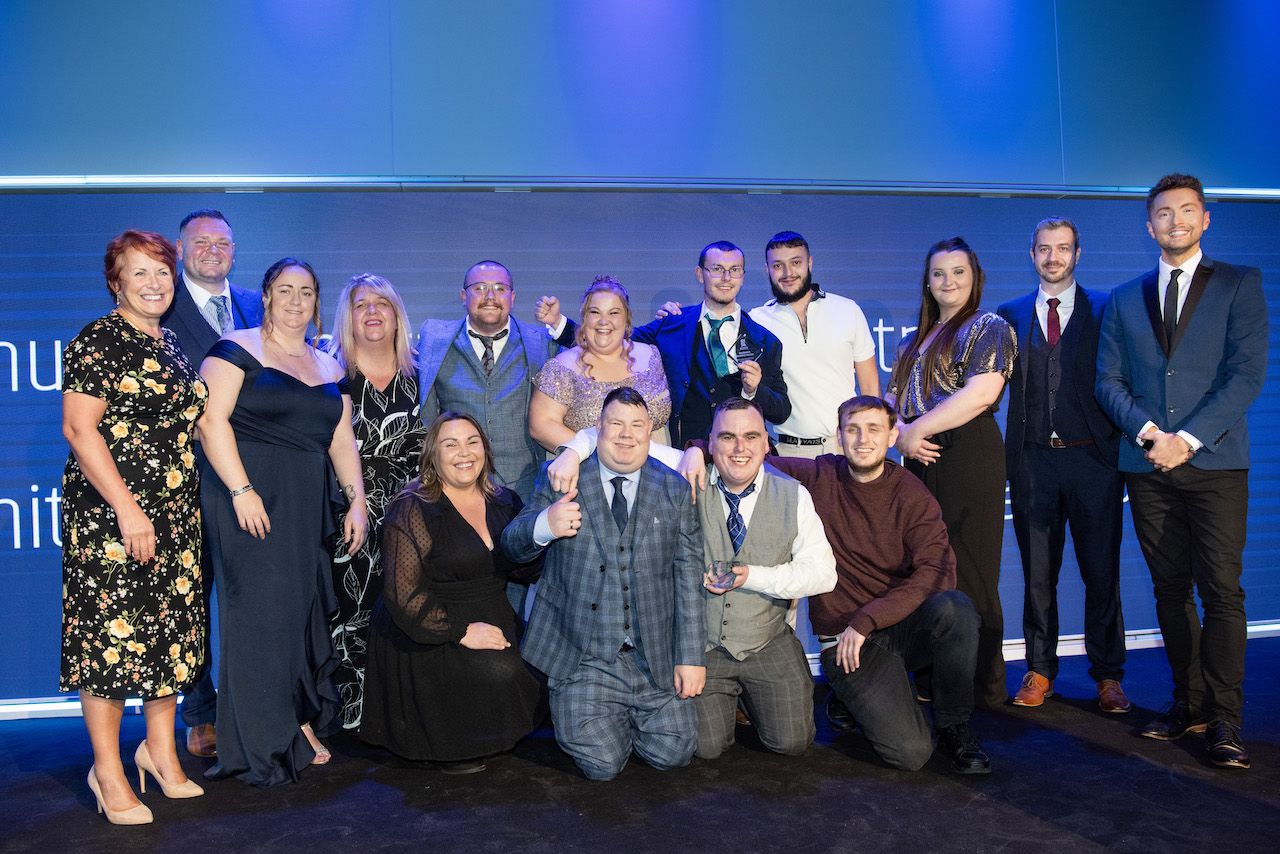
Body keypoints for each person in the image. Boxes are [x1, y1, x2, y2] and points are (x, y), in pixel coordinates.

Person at [679, 396, 989, 774]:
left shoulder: (912, 494)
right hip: (845, 643)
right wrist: (695, 449)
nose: (863, 439)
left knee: (955, 608)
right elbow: (744, 457)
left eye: (874, 430)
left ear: (892, 435)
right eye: (853, 430)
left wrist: (868, 619)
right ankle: (851, 694)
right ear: (839, 437)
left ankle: (955, 724)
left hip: (891, 625)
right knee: (911, 755)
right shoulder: (817, 476)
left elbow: (938, 574)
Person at [1095, 173, 1268, 769]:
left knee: (1221, 592)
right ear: (1150, 226)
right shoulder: (1123, 298)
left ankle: (1225, 719)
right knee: (1170, 591)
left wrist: (1187, 440)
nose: (1175, 221)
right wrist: (1150, 436)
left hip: (1216, 464)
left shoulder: (1241, 284)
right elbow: (1107, 381)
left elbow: (1245, 375)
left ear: (1204, 219)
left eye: (1186, 211)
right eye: (1164, 214)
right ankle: (1187, 703)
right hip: (1147, 468)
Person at [197, 258, 368, 786]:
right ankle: (257, 747)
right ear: (266, 296)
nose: (296, 301)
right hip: (246, 497)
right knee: (258, 621)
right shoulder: (233, 350)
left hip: (303, 503)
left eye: (307, 293)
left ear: (318, 302)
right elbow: (210, 422)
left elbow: (342, 440)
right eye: (285, 291)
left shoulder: (328, 366)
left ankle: (293, 724)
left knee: (296, 615)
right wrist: (242, 490)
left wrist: (356, 500)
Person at [61, 230, 209, 824]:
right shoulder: (99, 339)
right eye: (139, 273)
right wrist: (127, 507)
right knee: (112, 644)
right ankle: (109, 770)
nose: (153, 283)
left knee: (168, 640)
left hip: (174, 516)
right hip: (112, 517)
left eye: (161, 273)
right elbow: (80, 429)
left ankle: (162, 754)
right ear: (115, 281)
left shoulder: (172, 345)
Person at [501, 388, 705, 781]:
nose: (626, 435)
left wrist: (691, 656)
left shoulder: (674, 490)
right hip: (584, 656)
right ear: (597, 428)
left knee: (674, 753)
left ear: (650, 432)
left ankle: (625, 715)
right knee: (603, 765)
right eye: (615, 424)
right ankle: (600, 713)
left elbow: (688, 577)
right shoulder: (561, 477)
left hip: (653, 656)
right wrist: (545, 525)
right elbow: (513, 545)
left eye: (637, 426)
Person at [361, 413, 543, 774]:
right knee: (498, 672)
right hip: (426, 625)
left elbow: (523, 568)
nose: (464, 452)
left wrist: (543, 535)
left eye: (472, 441)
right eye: (450, 444)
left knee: (539, 668)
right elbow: (403, 595)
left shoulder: (505, 502)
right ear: (433, 456)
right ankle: (451, 743)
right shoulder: (413, 507)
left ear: (486, 451)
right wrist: (461, 632)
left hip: (488, 608)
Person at [997, 218, 1128, 713]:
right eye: (1044, 249)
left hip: (1094, 461)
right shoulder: (1007, 315)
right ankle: (1039, 669)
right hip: (1033, 464)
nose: (1053, 257)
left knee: (1102, 572)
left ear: (1078, 253)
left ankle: (1109, 675)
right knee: (1036, 574)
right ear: (1031, 254)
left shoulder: (1106, 309)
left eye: (1063, 248)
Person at [885, 237, 1016, 709]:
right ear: (927, 280)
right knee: (927, 568)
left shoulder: (989, 327)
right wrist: (902, 433)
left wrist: (912, 430)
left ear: (974, 277)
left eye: (959, 272)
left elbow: (981, 394)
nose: (948, 282)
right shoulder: (911, 341)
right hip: (917, 457)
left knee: (972, 569)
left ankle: (983, 686)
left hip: (968, 451)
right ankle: (935, 675)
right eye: (939, 273)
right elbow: (891, 406)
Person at [161, 208, 264, 758]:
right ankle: (200, 714)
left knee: (254, 596)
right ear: (179, 250)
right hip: (187, 477)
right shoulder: (158, 306)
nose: (212, 249)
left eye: (222, 242)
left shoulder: (257, 304)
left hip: (260, 476)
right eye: (200, 242)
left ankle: (254, 704)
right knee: (193, 599)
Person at [537, 240, 790, 448]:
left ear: (743, 276)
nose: (726, 277)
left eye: (734, 270)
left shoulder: (765, 341)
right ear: (700, 274)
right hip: (685, 458)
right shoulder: (670, 325)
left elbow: (781, 410)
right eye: (717, 269)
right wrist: (559, 323)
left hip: (741, 457)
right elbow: (609, 337)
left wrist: (755, 390)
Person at [417, 260, 558, 617]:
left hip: (524, 493)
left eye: (499, 288)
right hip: (455, 495)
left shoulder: (541, 340)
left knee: (520, 600)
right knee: (458, 590)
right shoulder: (434, 340)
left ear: (513, 297)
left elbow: (594, 346)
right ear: (463, 297)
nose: (489, 296)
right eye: (479, 288)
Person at [324, 274, 427, 731]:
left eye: (382, 303)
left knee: (408, 606)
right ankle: (353, 712)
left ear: (396, 314)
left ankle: (403, 709)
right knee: (351, 611)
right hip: (350, 510)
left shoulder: (422, 374)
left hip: (414, 511)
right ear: (346, 317)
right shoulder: (329, 375)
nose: (372, 311)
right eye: (360, 303)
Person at [751, 231, 880, 456]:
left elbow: (870, 388)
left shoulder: (848, 310)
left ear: (809, 263)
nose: (788, 273)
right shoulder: (755, 321)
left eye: (796, 262)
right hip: (784, 452)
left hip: (844, 448)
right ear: (767, 269)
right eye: (778, 265)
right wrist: (671, 315)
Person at [529, 275, 671, 448]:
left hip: (659, 468)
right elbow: (541, 425)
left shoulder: (653, 356)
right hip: (589, 469)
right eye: (595, 312)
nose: (604, 321)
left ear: (626, 319)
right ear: (584, 318)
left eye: (613, 313)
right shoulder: (562, 367)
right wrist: (601, 454)